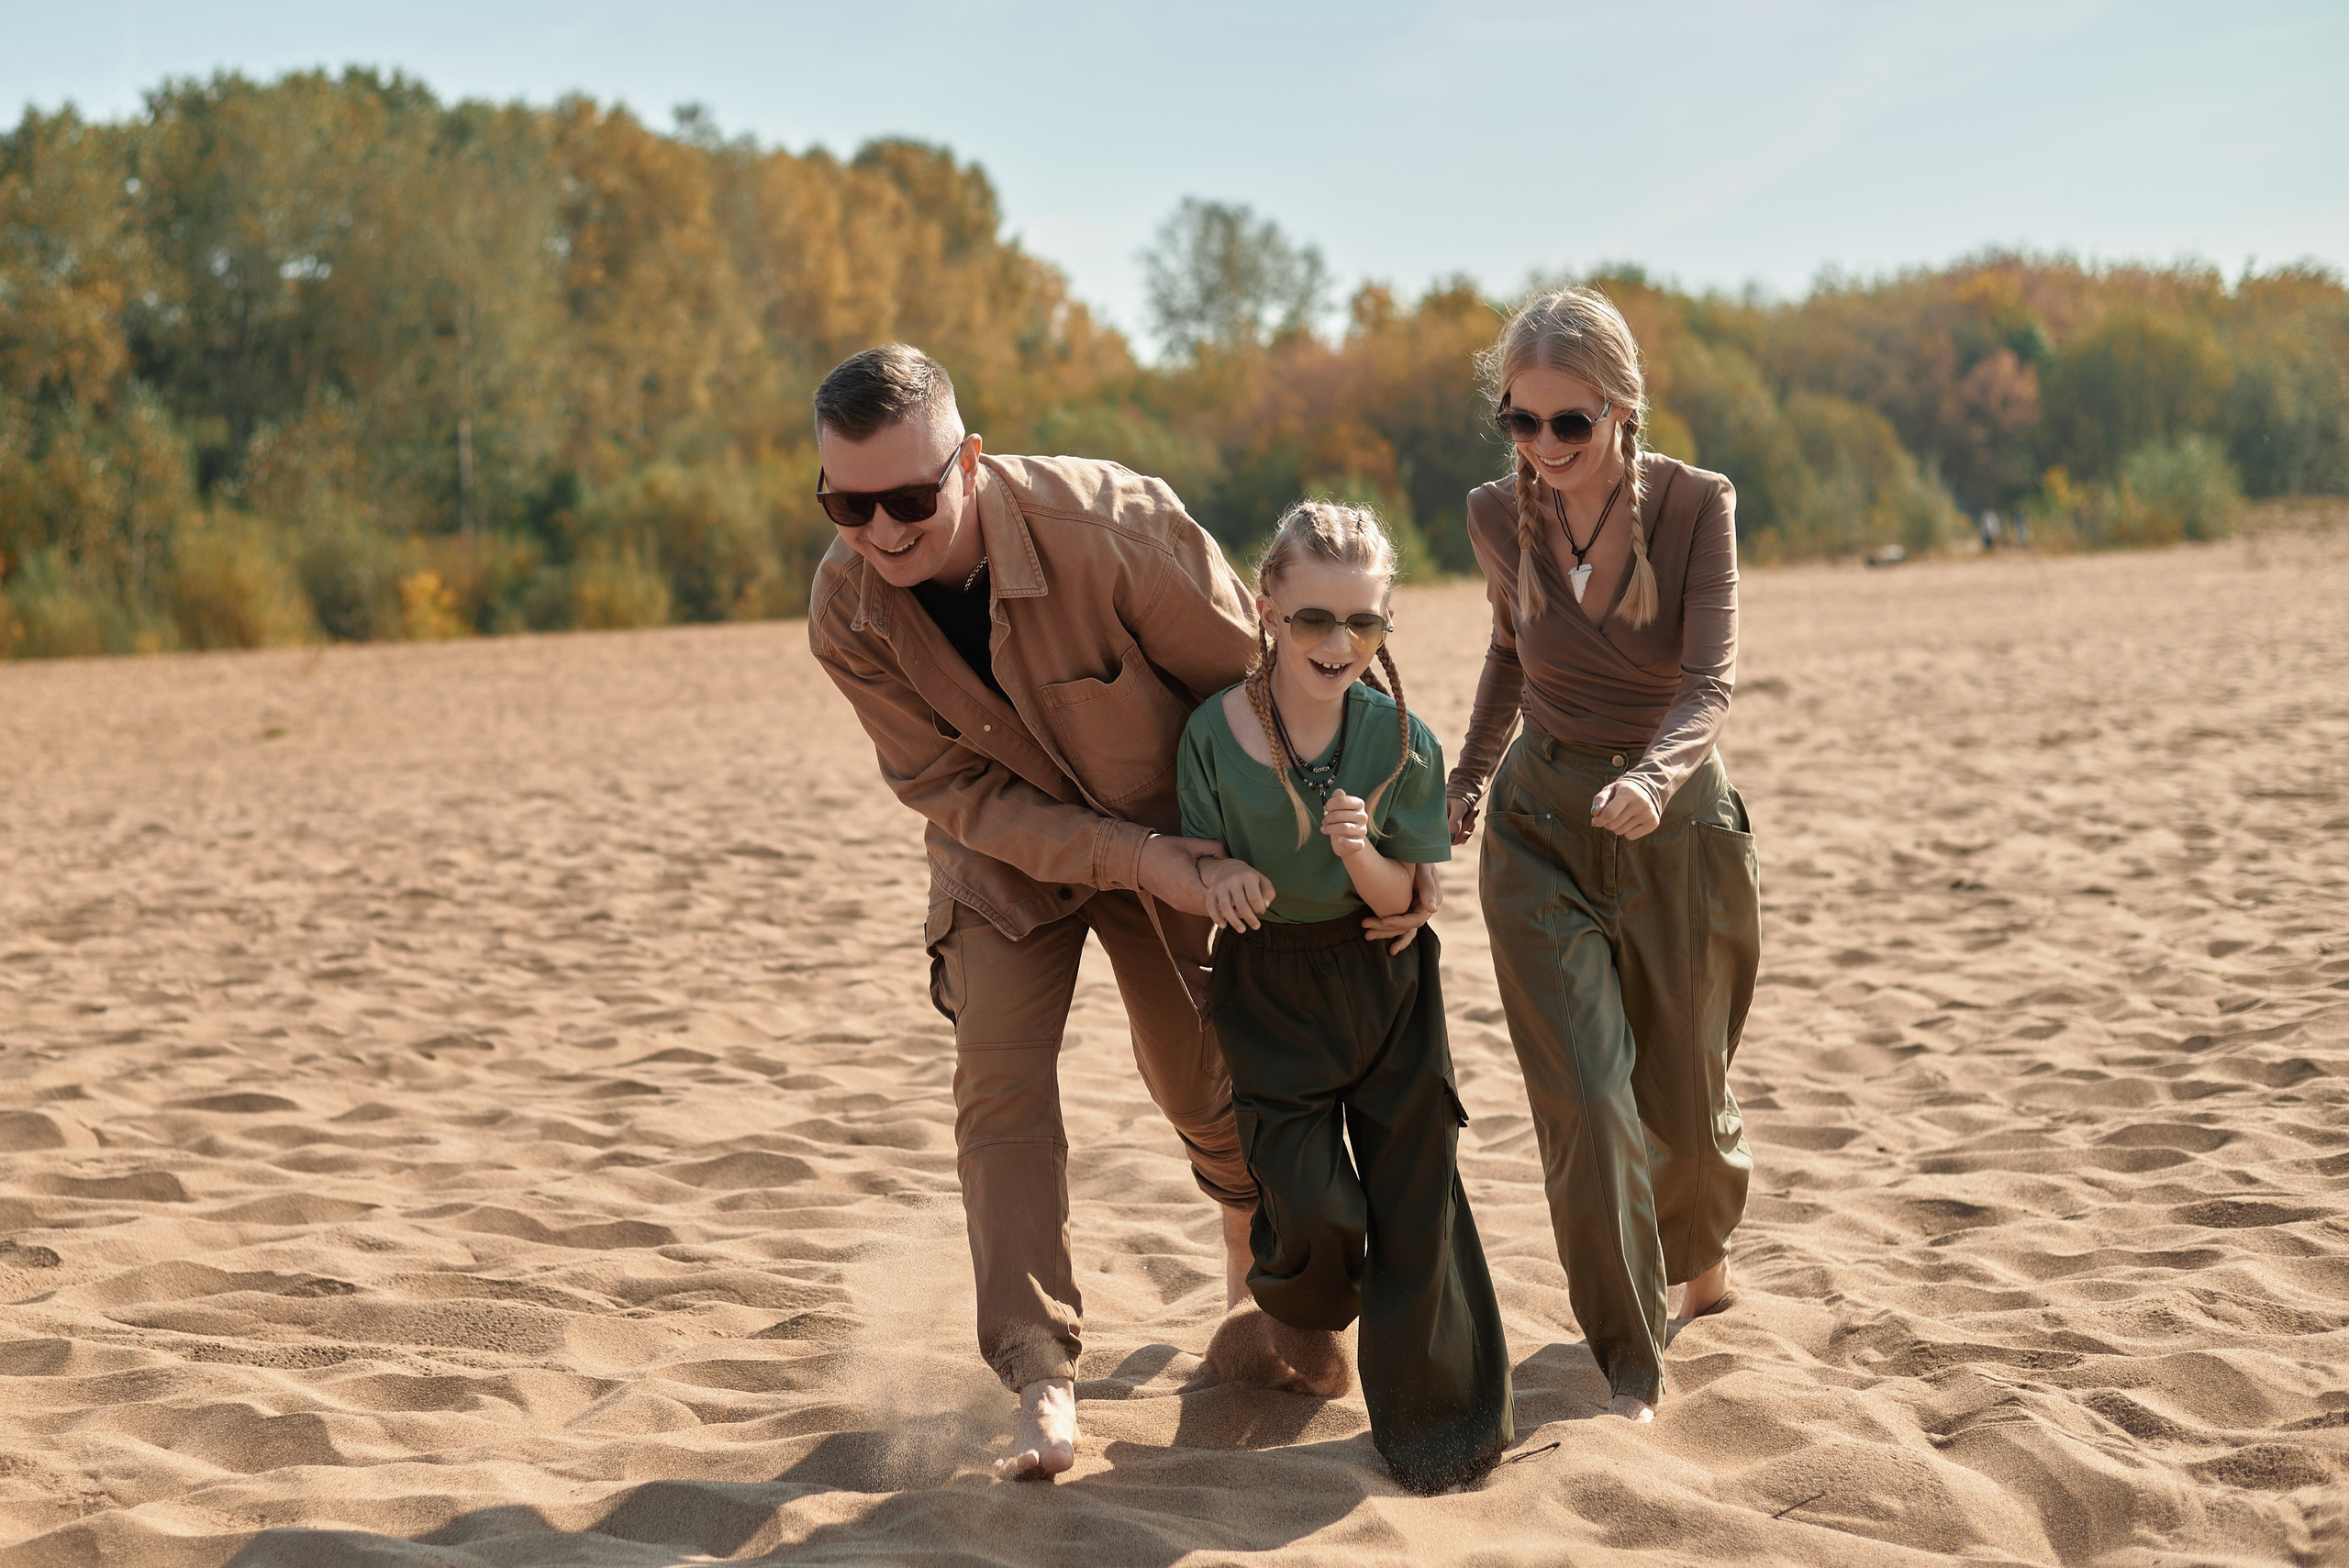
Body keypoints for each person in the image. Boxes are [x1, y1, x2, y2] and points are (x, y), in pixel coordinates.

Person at [805, 345, 1439, 1478]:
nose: (883, 529)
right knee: (999, 1097)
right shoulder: (845, 611)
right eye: (848, 505)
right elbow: (948, 787)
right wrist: (1128, 856)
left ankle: (1259, 1279)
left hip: (1190, 838)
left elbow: (1277, 685)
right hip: (1004, 862)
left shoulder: (1114, 529)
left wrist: (1374, 845)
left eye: (910, 497)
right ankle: (1040, 1378)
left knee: (1201, 1076)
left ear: (973, 460)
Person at [1446, 287, 1761, 1424]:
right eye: (1519, 424)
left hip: (1673, 824)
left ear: (1621, 412)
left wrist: (1652, 776)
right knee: (1588, 1098)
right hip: (1541, 829)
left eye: (1567, 425)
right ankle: (1629, 1358)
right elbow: (1505, 654)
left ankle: (1701, 1252)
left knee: (1684, 1095)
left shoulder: (1695, 507)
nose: (1542, 449)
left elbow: (1707, 679)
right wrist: (1473, 774)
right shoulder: (1498, 513)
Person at [1179, 501, 1514, 1495]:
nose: (1338, 643)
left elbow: (1402, 901)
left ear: (1384, 625)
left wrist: (1359, 848)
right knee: (1314, 1199)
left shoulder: (1400, 737)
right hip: (1268, 980)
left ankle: (1437, 1429)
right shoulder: (1213, 731)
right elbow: (1197, 850)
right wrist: (1218, 877)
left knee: (1417, 1197)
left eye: (1363, 623)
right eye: (1316, 617)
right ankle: (1294, 1311)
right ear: (1267, 603)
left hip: (1381, 974)